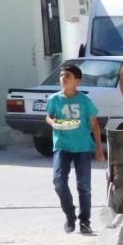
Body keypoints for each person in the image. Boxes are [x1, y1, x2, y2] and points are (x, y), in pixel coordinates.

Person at [45, 63, 104, 235]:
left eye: (67, 76)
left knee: (84, 185)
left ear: (77, 81)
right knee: (58, 181)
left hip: (83, 147)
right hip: (62, 145)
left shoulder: (85, 101)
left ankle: (85, 221)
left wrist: (99, 149)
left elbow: (94, 125)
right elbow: (48, 116)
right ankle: (70, 215)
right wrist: (53, 123)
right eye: (62, 75)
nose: (63, 78)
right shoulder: (55, 99)